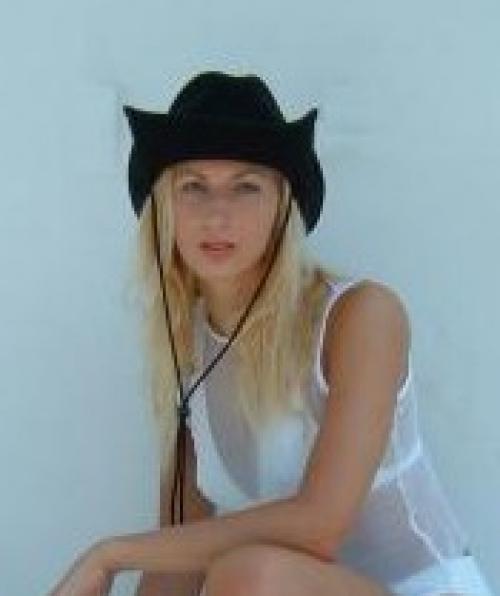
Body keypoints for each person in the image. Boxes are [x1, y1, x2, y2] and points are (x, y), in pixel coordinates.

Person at [47, 71, 493, 596]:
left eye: (246, 187)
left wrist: (109, 555)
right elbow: (175, 564)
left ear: (283, 206)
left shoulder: (360, 316)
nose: (217, 214)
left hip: (421, 589)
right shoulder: (186, 352)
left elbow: (320, 527)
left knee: (250, 573)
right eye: (193, 186)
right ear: (163, 208)